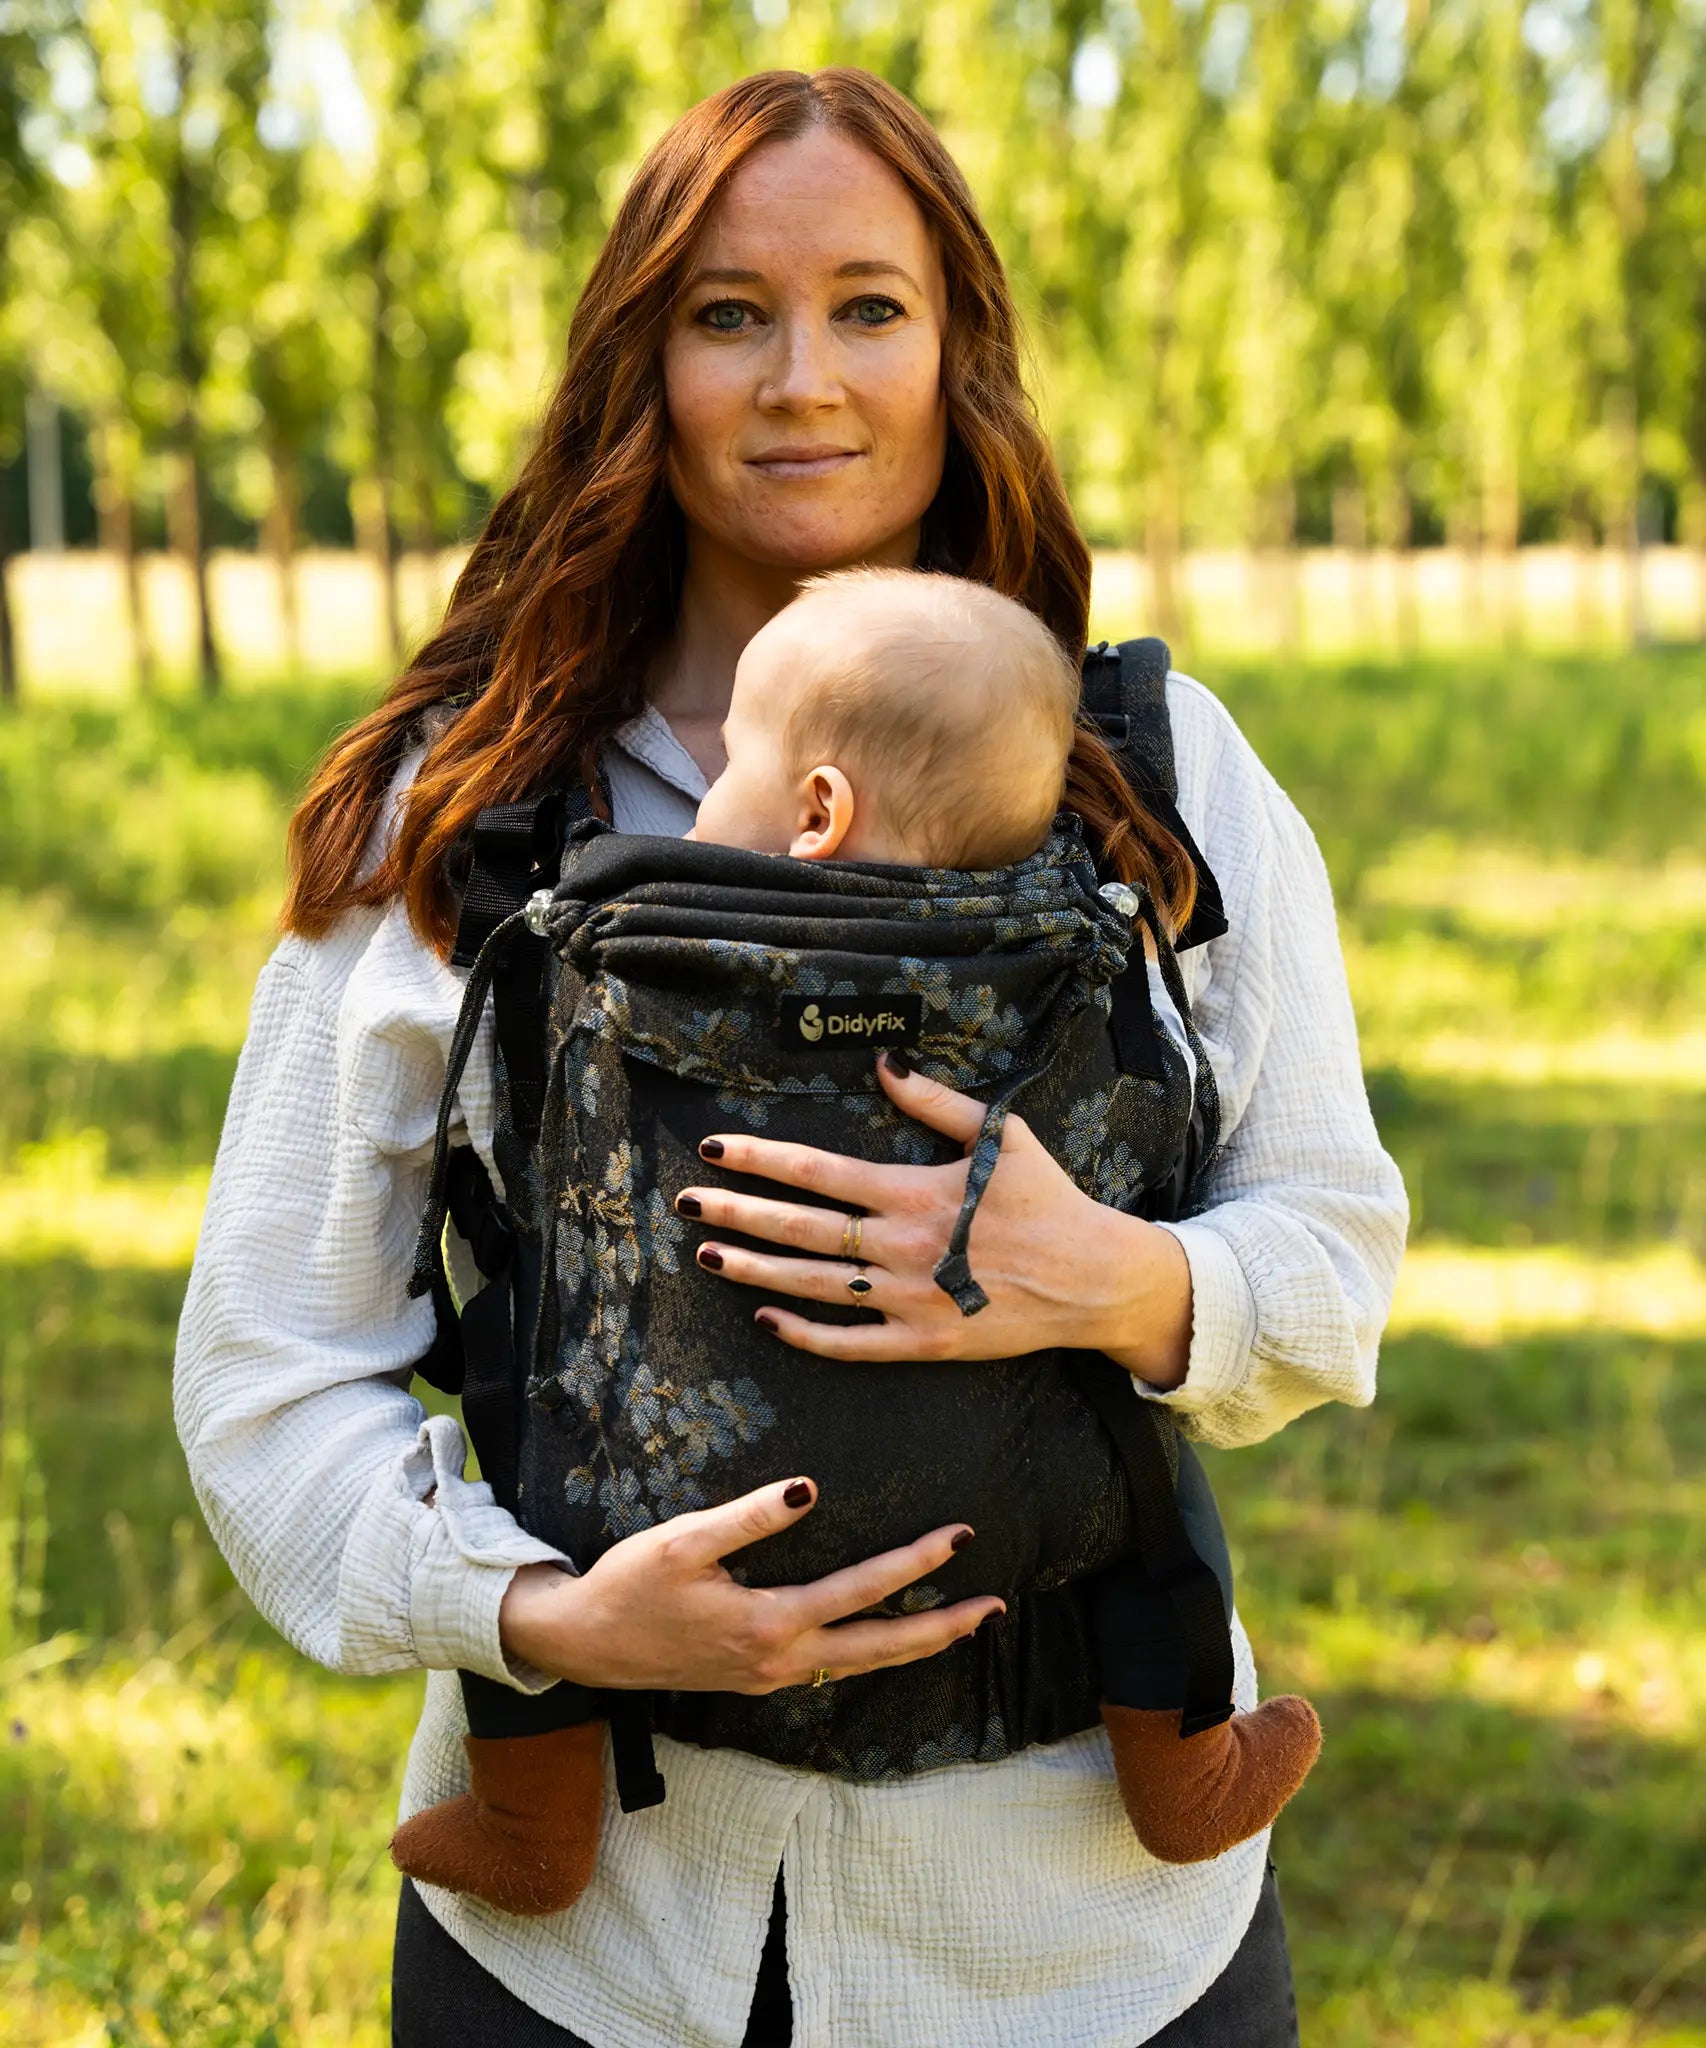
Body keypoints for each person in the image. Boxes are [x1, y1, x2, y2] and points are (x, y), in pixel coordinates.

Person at [174, 66, 1407, 2048]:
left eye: (869, 306)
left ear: (957, 351)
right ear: (638, 366)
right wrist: (539, 1620)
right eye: (727, 313)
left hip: (1087, 1949)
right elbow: (269, 1366)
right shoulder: (465, 809)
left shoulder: (1154, 781)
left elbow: (1334, 1252)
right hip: (596, 1967)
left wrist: (1118, 1276)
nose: (801, 380)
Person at [387, 565, 1322, 1918]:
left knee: (529, 1429)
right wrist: (1132, 1284)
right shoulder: (1069, 920)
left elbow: (1330, 1247)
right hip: (1030, 1506)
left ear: (816, 808)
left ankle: (535, 1812)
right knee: (1139, 1486)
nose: (704, 805)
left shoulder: (616, 908)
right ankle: (1179, 1767)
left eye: (734, 771)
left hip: (652, 1512)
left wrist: (536, 1616)